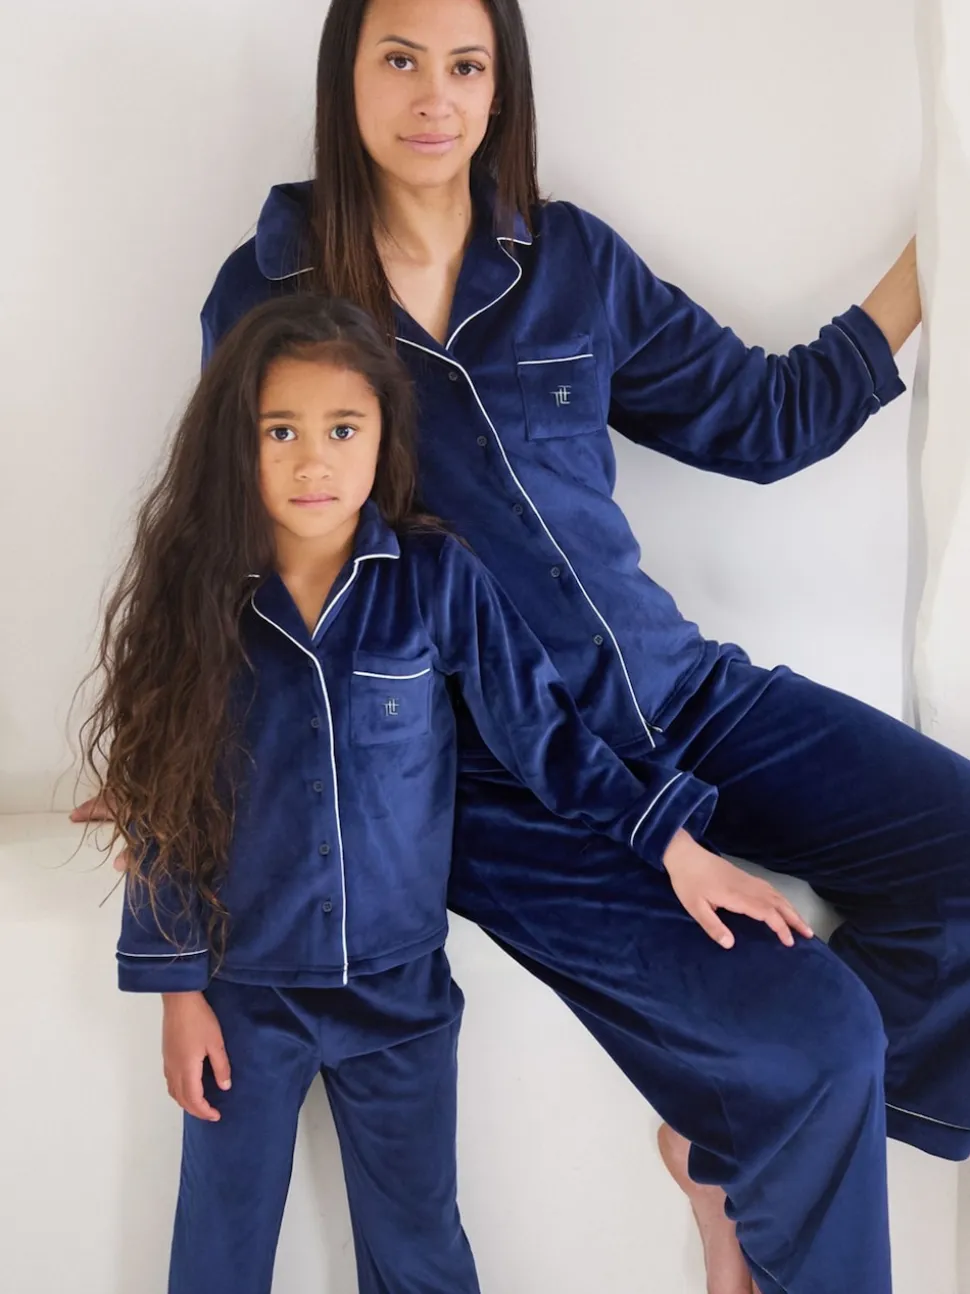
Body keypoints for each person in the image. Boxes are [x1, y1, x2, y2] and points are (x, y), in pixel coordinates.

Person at [74, 1, 970, 1290]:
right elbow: (231, 544)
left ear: (501, 87)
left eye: (466, 65)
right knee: (815, 1037)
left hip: (682, 693)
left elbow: (766, 419)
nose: (433, 96)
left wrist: (944, 236)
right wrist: (164, 755)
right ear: (346, 76)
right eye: (399, 59)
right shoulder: (269, 294)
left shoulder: (571, 263)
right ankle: (764, 1127)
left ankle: (738, 1142)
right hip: (501, 778)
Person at [83, 295, 809, 1294]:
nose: (312, 460)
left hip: (400, 997)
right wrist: (177, 995)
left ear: (384, 435)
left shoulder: (436, 580)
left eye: (343, 430)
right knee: (219, 1248)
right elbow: (162, 797)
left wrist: (674, 846)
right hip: (244, 992)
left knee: (422, 1251)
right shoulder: (199, 600)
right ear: (236, 441)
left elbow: (546, 735)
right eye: (280, 431)